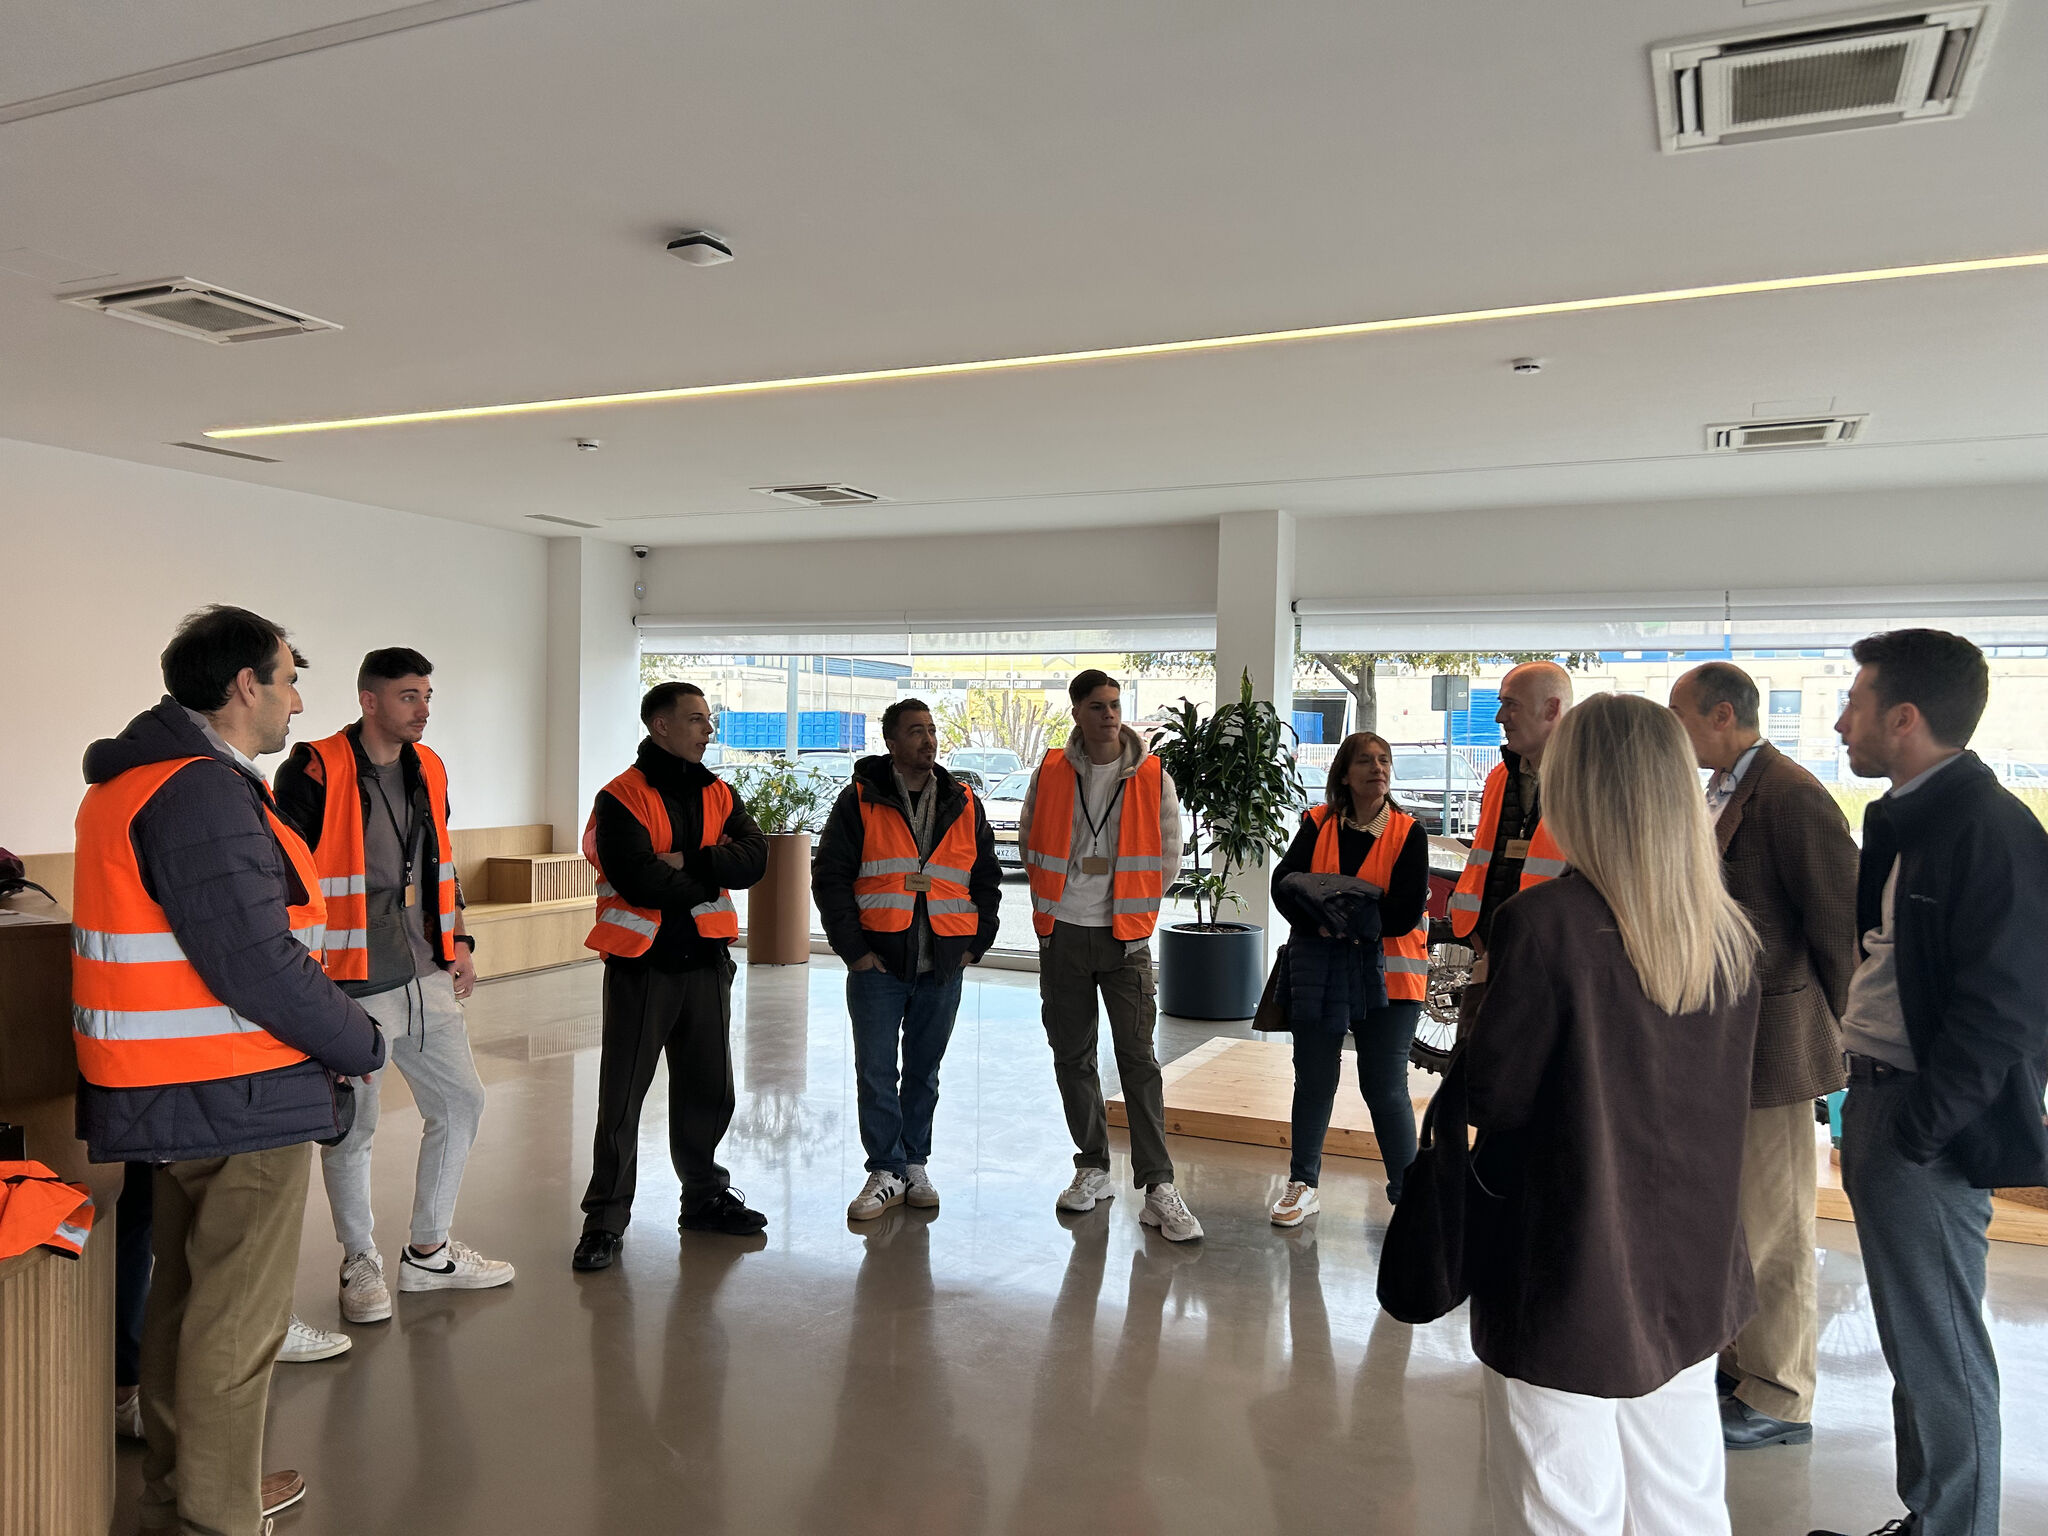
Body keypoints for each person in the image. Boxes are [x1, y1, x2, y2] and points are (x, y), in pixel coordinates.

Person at [73, 605, 385, 1536]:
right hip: (235, 1085)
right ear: (245, 685)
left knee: (186, 1300)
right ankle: (217, 1514)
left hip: (180, 1084)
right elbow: (254, 961)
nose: (298, 701)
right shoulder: (199, 793)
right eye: (289, 680)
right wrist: (358, 1041)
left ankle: (186, 1491)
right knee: (237, 1322)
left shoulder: (143, 780)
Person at [1464, 692, 1761, 1536]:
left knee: (1562, 1502)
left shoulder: (1544, 925)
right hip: (1693, 1262)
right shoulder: (1726, 931)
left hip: (1565, 1259)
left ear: (1579, 792)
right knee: (1681, 1498)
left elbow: (1495, 1095)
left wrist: (1479, 1004)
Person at [1809, 630, 2048, 1536]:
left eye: (1855, 702)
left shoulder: (1990, 830)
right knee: (1915, 1340)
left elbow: (2007, 1009)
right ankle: (1930, 1518)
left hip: (1923, 1118)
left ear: (1904, 718)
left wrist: (1920, 1130)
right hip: (1881, 1100)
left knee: (1941, 1346)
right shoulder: (1909, 819)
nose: (1841, 723)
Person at [274, 647, 512, 1324]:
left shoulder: (428, 766)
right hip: (351, 977)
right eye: (409, 696)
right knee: (355, 1127)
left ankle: (429, 1252)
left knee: (460, 1101)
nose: (423, 708)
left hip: (425, 965)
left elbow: (441, 860)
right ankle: (360, 1260)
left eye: (428, 695)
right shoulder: (313, 768)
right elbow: (289, 878)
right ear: (369, 700)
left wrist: (458, 940)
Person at [1668, 662, 1860, 1451]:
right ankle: (1739, 1365)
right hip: (1722, 1046)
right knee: (1732, 1221)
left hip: (1775, 1050)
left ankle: (1782, 1395)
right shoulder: (1722, 789)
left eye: (1680, 714)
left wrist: (1857, 1048)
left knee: (1774, 1226)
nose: (1673, 730)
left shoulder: (1791, 795)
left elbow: (1840, 927)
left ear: (1723, 715)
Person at [573, 682, 771, 1270]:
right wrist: (715, 871)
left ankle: (704, 1198)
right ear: (661, 725)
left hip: (707, 965)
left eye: (708, 719)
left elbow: (755, 859)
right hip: (644, 967)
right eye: (696, 719)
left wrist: (691, 862)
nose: (708, 730)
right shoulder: (621, 798)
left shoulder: (719, 793)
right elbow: (639, 881)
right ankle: (604, 1221)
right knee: (622, 1100)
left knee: (710, 1091)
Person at [1019, 669, 1199, 1240]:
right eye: (1097, 706)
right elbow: (1029, 839)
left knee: (1139, 1060)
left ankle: (1158, 1185)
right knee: (1072, 1056)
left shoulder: (1152, 775)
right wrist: (1054, 907)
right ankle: (1093, 1166)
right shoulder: (1050, 771)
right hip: (1064, 932)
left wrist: (1136, 914)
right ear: (1076, 712)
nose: (1110, 715)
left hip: (1125, 937)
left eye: (1115, 704)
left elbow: (1168, 853)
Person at [812, 698, 1002, 1220]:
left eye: (932, 729)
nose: (928, 739)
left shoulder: (962, 800)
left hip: (943, 961)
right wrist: (854, 951)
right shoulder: (859, 799)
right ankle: (886, 1168)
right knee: (876, 1071)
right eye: (915, 731)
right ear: (891, 742)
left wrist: (976, 943)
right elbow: (830, 877)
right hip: (879, 961)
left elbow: (986, 877)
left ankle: (914, 1162)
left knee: (924, 1071)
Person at [1267, 731, 1431, 1222]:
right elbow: (1283, 886)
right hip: (1322, 971)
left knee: (1384, 1088)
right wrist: (1322, 917)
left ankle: (1412, 1201)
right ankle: (1302, 1183)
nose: (1378, 768)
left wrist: (1331, 908)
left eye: (1384, 760)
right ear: (1344, 773)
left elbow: (1403, 913)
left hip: (1392, 980)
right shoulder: (1316, 823)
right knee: (1314, 1079)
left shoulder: (1408, 832)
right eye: (1365, 761)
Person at [1447, 661, 1572, 1031]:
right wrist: (1481, 933)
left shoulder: (1588, 780)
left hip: (1555, 967)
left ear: (1552, 709)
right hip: (1494, 956)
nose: (1500, 717)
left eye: (1511, 705)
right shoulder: (1500, 776)